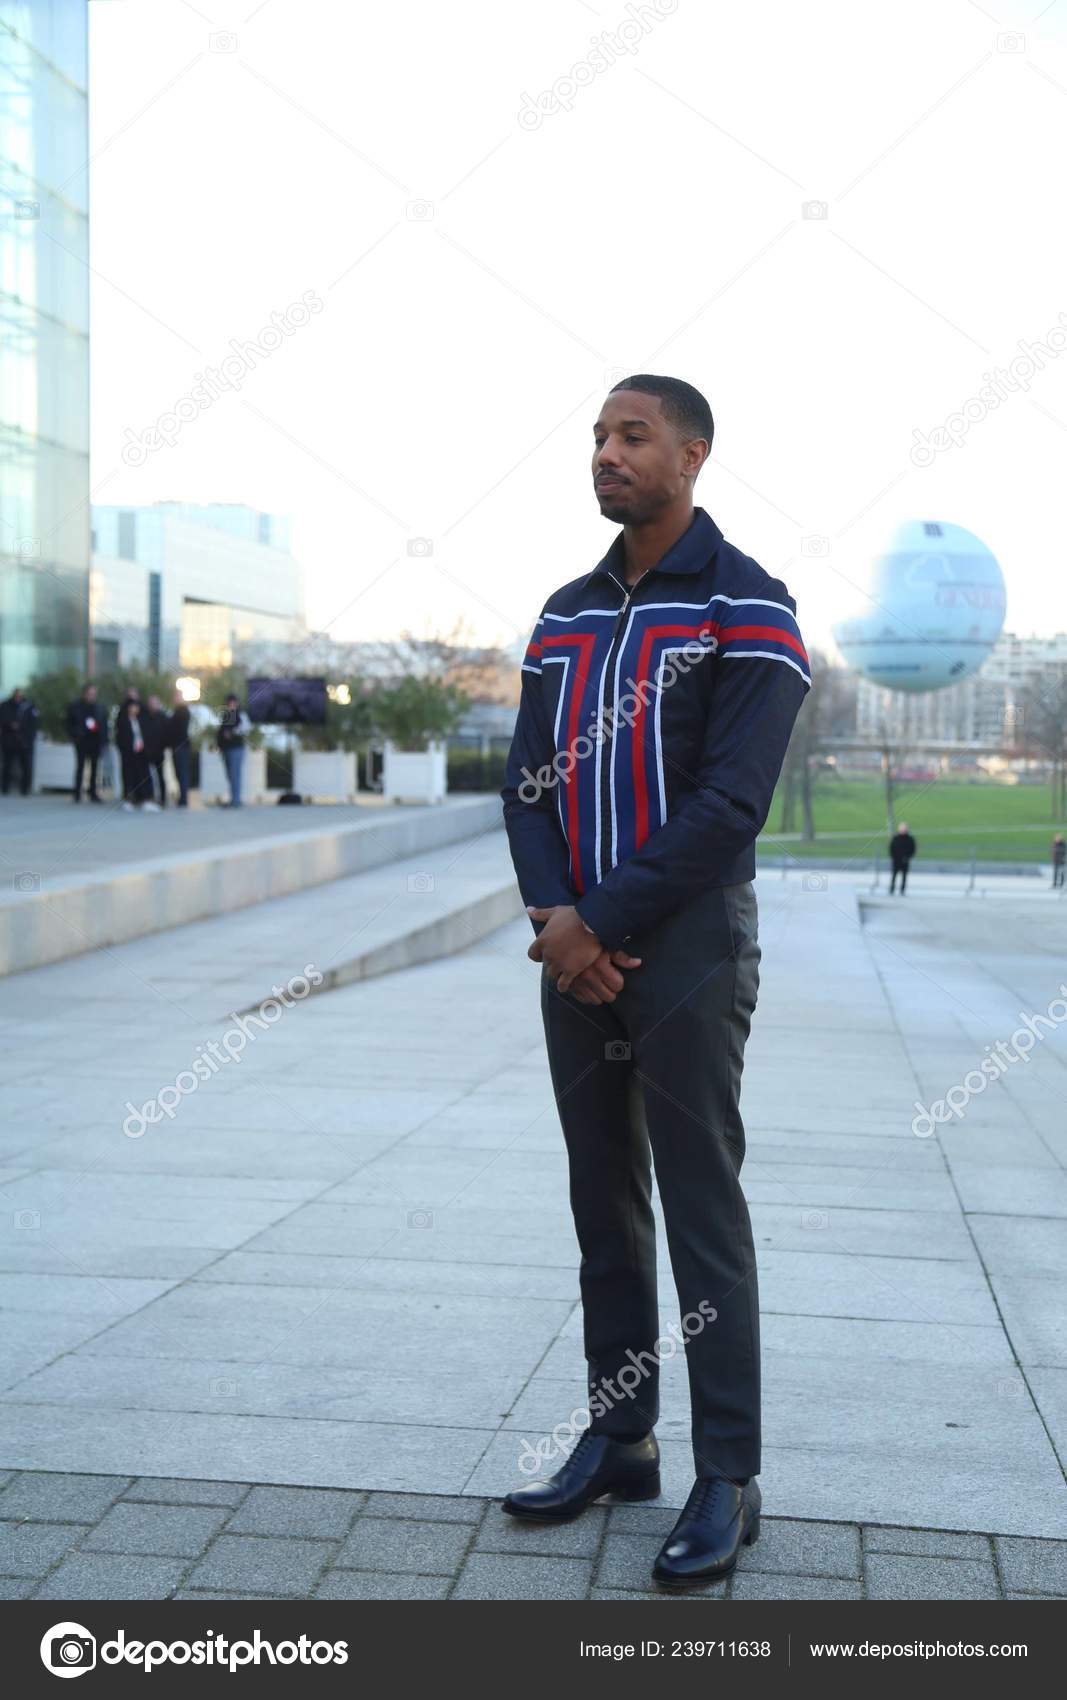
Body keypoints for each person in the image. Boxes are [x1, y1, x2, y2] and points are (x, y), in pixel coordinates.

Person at [498, 375, 810, 1589]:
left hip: (682, 946)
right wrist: (554, 920)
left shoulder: (749, 607)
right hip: (571, 945)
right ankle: (619, 1436)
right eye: (595, 436)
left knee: (697, 1206)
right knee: (600, 1199)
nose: (604, 453)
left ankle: (726, 1472)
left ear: (692, 454)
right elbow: (527, 782)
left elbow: (733, 802)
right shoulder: (563, 612)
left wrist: (598, 923)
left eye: (631, 436)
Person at [66, 683, 107, 802]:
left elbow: (103, 725)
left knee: (95, 767)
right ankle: (77, 793)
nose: (92, 696)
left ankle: (93, 792)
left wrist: (104, 741)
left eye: (94, 694)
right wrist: (75, 735)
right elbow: (69, 724)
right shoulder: (75, 707)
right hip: (81, 741)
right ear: (84, 694)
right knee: (80, 766)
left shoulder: (100, 707)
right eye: (89, 694)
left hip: (95, 741)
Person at [114, 696, 156, 811]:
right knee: (128, 776)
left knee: (143, 775)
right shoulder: (123, 720)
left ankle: (144, 799)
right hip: (128, 753)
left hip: (141, 753)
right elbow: (121, 737)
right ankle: (128, 799)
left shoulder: (140, 719)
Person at [0, 687, 39, 795]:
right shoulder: (5, 705)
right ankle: (5, 788)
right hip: (9, 740)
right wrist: (10, 724)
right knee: (7, 765)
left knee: (26, 766)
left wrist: (28, 734)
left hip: (24, 740)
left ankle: (25, 789)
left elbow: (34, 723)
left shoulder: (29, 706)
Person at [216, 693, 251, 807]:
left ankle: (236, 800)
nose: (231, 704)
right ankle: (234, 798)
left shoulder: (241, 714)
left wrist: (233, 733)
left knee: (235, 774)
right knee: (230, 775)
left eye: (233, 702)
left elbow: (246, 729)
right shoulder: (226, 715)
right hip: (226, 749)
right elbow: (221, 732)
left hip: (236, 749)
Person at [141, 694, 169, 808]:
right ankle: (149, 797)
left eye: (154, 703)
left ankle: (163, 798)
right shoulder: (144, 717)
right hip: (146, 751)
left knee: (161, 775)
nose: (152, 705)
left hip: (159, 750)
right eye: (150, 703)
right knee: (146, 776)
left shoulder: (163, 717)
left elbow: (167, 733)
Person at [168, 689, 192, 807]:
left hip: (181, 747)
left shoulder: (182, 711)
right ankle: (182, 798)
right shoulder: (178, 711)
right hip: (178, 746)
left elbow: (177, 730)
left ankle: (183, 799)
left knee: (182, 773)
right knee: (179, 773)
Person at [889, 821, 916, 894]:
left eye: (904, 829)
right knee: (894, 875)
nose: (903, 830)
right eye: (902, 829)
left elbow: (913, 849)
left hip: (905, 860)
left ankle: (902, 890)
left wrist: (908, 857)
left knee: (904, 876)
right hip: (896, 860)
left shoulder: (910, 839)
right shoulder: (895, 838)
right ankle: (892, 889)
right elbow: (891, 848)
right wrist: (893, 857)